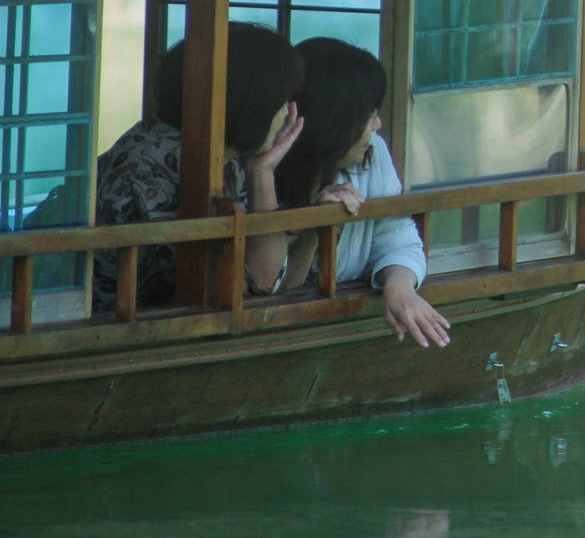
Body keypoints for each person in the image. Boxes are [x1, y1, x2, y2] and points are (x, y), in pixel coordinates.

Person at [92, 22, 305, 309]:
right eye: (281, 101)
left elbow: (264, 278)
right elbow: (249, 285)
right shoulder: (150, 167)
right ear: (251, 102)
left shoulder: (220, 157)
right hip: (113, 333)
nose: (286, 113)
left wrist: (261, 172)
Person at [276, 37, 451, 348]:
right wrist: (313, 226)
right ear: (332, 120)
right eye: (368, 114)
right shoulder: (263, 167)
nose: (378, 124)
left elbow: (398, 236)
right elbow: (276, 290)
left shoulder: (373, 152)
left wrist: (399, 287)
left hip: (341, 327)